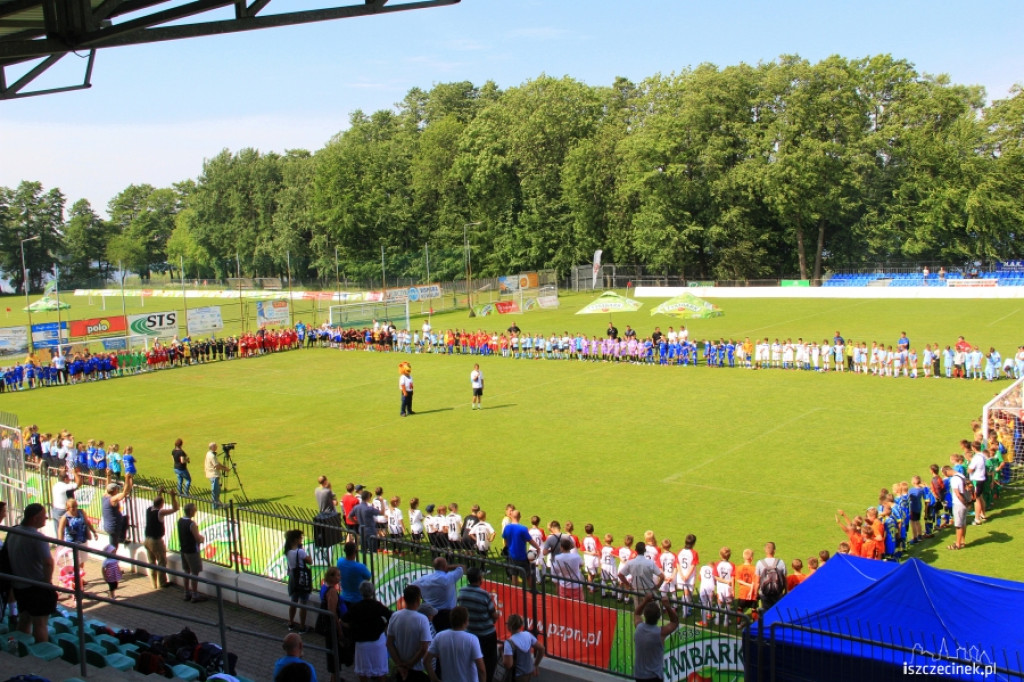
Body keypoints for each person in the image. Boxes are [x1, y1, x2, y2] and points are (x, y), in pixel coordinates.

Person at [7, 503, 56, 643]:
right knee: (40, 624)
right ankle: (43, 654)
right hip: (36, 586)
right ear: (35, 518)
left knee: (24, 619)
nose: (46, 518)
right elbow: (48, 563)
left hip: (19, 586)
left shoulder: (13, 532)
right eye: (44, 516)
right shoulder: (38, 537)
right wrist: (47, 584)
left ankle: (23, 648)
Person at [342, 580, 392, 682]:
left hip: (362, 644)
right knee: (380, 672)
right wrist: (384, 626)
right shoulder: (377, 605)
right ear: (372, 592)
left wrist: (352, 628)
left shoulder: (356, 607)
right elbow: (390, 616)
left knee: (363, 673)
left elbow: (343, 620)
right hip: (377, 642)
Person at [457, 567, 498, 682]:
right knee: (489, 662)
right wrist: (497, 615)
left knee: (473, 660)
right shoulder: (484, 595)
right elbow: (493, 614)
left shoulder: (462, 591)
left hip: (469, 632)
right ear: (480, 579)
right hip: (486, 635)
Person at [424, 606, 484, 682]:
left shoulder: (440, 636)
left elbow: (426, 661)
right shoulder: (472, 639)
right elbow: (481, 669)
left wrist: (434, 679)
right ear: (466, 621)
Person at [387, 584, 433, 682]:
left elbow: (389, 643)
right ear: (418, 599)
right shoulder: (422, 619)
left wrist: (399, 664)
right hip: (418, 669)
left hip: (401, 668)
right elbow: (424, 647)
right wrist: (410, 664)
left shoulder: (395, 616)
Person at [632, 594, 678, 682]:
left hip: (639, 675)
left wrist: (645, 601)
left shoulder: (639, 627)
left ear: (645, 615)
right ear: (658, 616)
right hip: (654, 676)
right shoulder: (660, 633)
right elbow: (675, 622)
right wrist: (667, 606)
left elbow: (637, 613)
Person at [415, 556, 465, 633]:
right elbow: (461, 568)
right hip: (447, 616)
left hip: (430, 614)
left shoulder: (424, 579)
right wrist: (448, 568)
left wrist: (422, 596)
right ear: (445, 566)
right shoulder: (449, 577)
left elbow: (412, 588)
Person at [144, 491, 179, 589]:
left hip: (147, 539)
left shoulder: (149, 509)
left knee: (151, 562)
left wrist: (159, 493)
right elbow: (175, 508)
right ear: (162, 504)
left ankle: (153, 583)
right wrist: (172, 497)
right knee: (161, 561)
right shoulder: (160, 512)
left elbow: (157, 501)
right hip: (156, 541)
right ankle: (162, 583)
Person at [501, 509, 539, 587]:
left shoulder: (507, 528)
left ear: (511, 516)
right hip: (522, 556)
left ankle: (515, 593)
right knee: (528, 575)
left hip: (511, 555)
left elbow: (505, 540)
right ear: (520, 517)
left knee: (514, 575)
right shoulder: (523, 528)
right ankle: (532, 592)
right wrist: (538, 548)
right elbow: (530, 540)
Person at [501, 613, 544, 682]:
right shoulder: (528, 635)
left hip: (516, 676)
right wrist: (535, 665)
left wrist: (502, 653)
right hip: (528, 672)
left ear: (509, 627)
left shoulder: (509, 643)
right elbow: (541, 648)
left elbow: (508, 665)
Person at [286, 529, 313, 632]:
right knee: (303, 603)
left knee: (293, 601)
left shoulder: (288, 551)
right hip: (302, 579)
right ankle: (302, 626)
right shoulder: (300, 552)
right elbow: (310, 561)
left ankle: (291, 623)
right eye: (300, 538)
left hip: (293, 578)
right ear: (296, 539)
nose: (302, 539)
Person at [178, 502, 207, 602]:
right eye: (194, 510)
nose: (195, 511)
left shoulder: (180, 521)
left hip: (183, 550)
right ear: (190, 511)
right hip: (192, 551)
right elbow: (197, 538)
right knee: (195, 573)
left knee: (186, 571)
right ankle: (194, 594)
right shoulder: (191, 524)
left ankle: (186, 593)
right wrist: (202, 539)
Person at [336, 541, 371, 610]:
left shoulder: (340, 562)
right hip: (357, 600)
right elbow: (368, 577)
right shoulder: (360, 567)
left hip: (344, 597)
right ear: (356, 552)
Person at [755, 541, 786, 612]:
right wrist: (786, 591)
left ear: (765, 550)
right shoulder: (781, 562)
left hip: (764, 593)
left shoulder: (760, 563)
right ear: (774, 551)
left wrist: (756, 592)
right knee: (778, 611)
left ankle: (767, 623)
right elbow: (784, 579)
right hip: (778, 592)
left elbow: (757, 581)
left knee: (766, 612)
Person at [101, 478, 132, 548]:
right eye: (117, 489)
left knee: (125, 519)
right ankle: (111, 557)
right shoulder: (113, 499)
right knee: (113, 547)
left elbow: (107, 486)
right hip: (113, 527)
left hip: (109, 525)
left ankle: (121, 538)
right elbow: (124, 492)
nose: (118, 490)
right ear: (114, 490)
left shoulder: (105, 495)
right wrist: (127, 478)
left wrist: (108, 475)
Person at [946, 465, 970, 550]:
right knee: (963, 523)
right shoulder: (961, 475)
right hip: (965, 502)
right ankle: (962, 541)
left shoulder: (954, 479)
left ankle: (957, 544)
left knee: (958, 525)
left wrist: (964, 503)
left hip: (959, 503)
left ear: (947, 471)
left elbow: (957, 493)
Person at [50, 469, 77, 534]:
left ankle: (58, 543)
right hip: (62, 511)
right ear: (65, 479)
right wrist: (75, 473)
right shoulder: (64, 486)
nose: (69, 480)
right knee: (66, 530)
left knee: (58, 529)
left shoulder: (55, 485)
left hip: (55, 509)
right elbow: (77, 484)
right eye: (68, 478)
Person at [205, 442, 228, 508]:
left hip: (212, 474)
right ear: (212, 447)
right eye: (215, 446)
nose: (216, 447)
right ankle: (215, 505)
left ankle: (218, 503)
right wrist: (225, 469)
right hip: (213, 475)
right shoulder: (212, 455)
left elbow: (217, 463)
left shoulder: (209, 453)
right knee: (215, 491)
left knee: (217, 490)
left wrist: (223, 466)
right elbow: (216, 466)